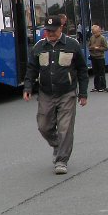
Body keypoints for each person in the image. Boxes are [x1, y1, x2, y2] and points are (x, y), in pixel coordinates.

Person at [23, 16, 88, 175]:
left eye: (53, 31)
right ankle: (57, 144)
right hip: (46, 93)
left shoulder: (72, 45)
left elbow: (82, 70)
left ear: (61, 29)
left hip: (67, 93)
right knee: (43, 126)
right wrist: (28, 87)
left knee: (65, 128)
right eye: (47, 30)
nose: (50, 33)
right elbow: (31, 68)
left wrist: (83, 93)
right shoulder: (39, 46)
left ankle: (61, 160)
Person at [87, 24, 108, 92]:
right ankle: (96, 86)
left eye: (96, 32)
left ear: (99, 31)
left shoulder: (102, 38)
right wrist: (91, 48)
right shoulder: (92, 37)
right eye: (94, 33)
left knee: (101, 72)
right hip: (93, 57)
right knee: (95, 73)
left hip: (100, 57)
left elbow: (106, 48)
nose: (95, 34)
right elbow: (89, 46)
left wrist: (98, 48)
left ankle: (103, 86)